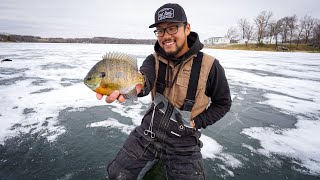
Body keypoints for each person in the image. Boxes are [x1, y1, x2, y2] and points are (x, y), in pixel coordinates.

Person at [96, 3, 232, 179]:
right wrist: (130, 88)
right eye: (160, 31)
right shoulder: (153, 61)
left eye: (172, 28)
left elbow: (223, 103)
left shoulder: (210, 65)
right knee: (116, 173)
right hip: (148, 133)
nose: (166, 36)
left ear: (187, 28)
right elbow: (144, 79)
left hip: (184, 143)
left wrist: (198, 122)